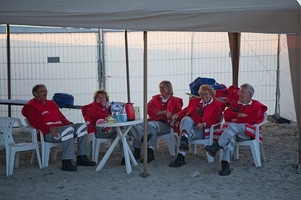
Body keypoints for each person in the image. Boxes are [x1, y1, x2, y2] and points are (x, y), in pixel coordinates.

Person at [22, 84, 96, 172]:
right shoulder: (31, 106)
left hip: (61, 130)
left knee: (82, 126)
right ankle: (66, 162)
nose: (45, 93)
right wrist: (49, 128)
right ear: (35, 93)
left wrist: (70, 124)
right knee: (69, 129)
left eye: (46, 91)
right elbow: (36, 122)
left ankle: (82, 157)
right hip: (48, 134)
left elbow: (61, 118)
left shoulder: (51, 103)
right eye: (42, 91)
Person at [205, 83, 267, 176]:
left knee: (232, 126)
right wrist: (238, 114)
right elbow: (226, 114)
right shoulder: (235, 104)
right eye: (240, 92)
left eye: (243, 92)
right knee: (230, 138)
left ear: (249, 94)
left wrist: (237, 120)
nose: (240, 94)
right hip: (233, 133)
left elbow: (253, 118)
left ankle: (217, 146)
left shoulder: (257, 105)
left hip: (248, 133)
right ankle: (225, 166)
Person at [169, 84, 225, 167]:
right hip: (191, 126)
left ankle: (181, 156)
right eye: (202, 94)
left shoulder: (217, 105)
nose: (204, 96)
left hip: (204, 130)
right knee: (186, 119)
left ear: (211, 94)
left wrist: (204, 124)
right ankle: (184, 137)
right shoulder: (195, 101)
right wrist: (177, 114)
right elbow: (185, 111)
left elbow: (216, 120)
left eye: (206, 94)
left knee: (187, 134)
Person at [130, 80, 183, 163]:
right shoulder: (155, 99)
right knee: (135, 125)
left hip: (165, 125)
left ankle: (149, 152)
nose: (161, 89)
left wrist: (172, 114)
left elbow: (179, 113)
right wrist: (162, 112)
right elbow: (148, 109)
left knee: (151, 125)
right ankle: (137, 150)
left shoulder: (175, 101)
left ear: (169, 88)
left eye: (163, 87)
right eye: (160, 87)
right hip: (152, 121)